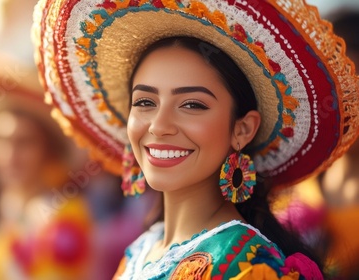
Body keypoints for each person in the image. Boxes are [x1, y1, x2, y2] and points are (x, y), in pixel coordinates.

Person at [33, 0, 359, 279]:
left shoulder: (249, 265)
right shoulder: (141, 251)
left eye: (192, 105)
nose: (159, 126)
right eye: (145, 102)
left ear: (242, 129)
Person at [0, 52, 93, 280]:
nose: (10, 154)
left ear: (47, 151)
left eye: (24, 142)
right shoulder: (7, 211)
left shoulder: (65, 216)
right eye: (1, 140)